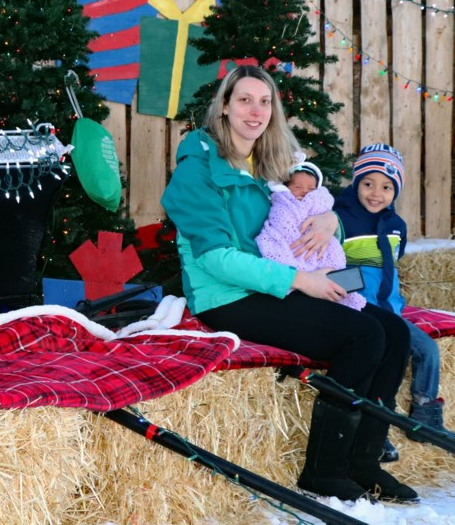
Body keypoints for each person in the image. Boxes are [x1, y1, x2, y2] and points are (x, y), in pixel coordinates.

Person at [161, 65, 416, 503]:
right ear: (224, 107)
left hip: (281, 280)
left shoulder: (269, 164)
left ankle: (364, 462)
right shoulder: (197, 170)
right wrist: (302, 281)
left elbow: (305, 220)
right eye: (244, 99)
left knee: (395, 332)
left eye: (265, 101)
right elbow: (216, 259)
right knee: (363, 335)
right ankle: (325, 469)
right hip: (230, 296)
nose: (255, 110)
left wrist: (329, 217)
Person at [334, 144, 455, 463]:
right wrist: (356, 286)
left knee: (427, 349)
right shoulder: (339, 218)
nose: (376, 193)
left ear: (396, 190)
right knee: (378, 363)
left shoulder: (395, 226)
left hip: (390, 310)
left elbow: (392, 263)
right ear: (355, 182)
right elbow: (327, 269)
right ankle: (377, 432)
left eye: (386, 187)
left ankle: (424, 415)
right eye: (368, 184)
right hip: (357, 310)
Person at [256, 161, 367, 311]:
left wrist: (330, 218)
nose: (304, 192)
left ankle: (329, 280)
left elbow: (331, 231)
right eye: (297, 187)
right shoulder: (282, 205)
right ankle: (309, 281)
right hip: (293, 256)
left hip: (320, 254)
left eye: (311, 189)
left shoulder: (320, 206)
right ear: (285, 187)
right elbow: (278, 226)